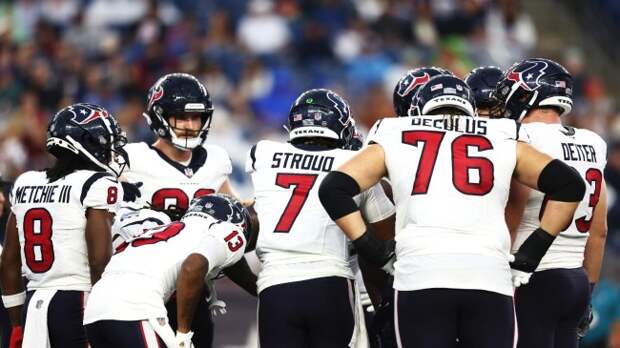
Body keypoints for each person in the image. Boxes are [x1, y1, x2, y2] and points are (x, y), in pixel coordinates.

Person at [318, 74, 586, 348]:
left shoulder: (394, 132)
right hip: (488, 275)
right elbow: (570, 186)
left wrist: (373, 249)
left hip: (420, 274)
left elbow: (333, 189)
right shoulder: (502, 133)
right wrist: (531, 253)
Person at [247, 88, 395, 348]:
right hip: (330, 282)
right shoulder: (353, 161)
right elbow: (386, 236)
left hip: (275, 286)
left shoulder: (264, 154)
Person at [121, 72, 256, 347]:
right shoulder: (132, 159)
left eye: (196, 117)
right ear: (159, 116)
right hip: (148, 288)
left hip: (195, 290)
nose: (190, 125)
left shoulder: (215, 160)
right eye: (181, 117)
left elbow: (233, 210)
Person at [498, 58, 608, 348]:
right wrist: (590, 287)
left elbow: (512, 213)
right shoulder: (593, 142)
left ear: (526, 94)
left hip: (532, 275)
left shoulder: (524, 137)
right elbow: (599, 230)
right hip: (576, 279)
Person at [0, 103, 126, 348]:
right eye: (103, 141)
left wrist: (16, 323)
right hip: (78, 302)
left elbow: (9, 261)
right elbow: (99, 260)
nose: (109, 149)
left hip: (34, 305)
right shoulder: (97, 184)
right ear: (85, 143)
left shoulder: (26, 182)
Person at [84, 194, 252, 347]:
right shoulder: (224, 229)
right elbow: (193, 266)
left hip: (95, 307)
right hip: (136, 309)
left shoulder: (168, 229)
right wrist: (183, 334)